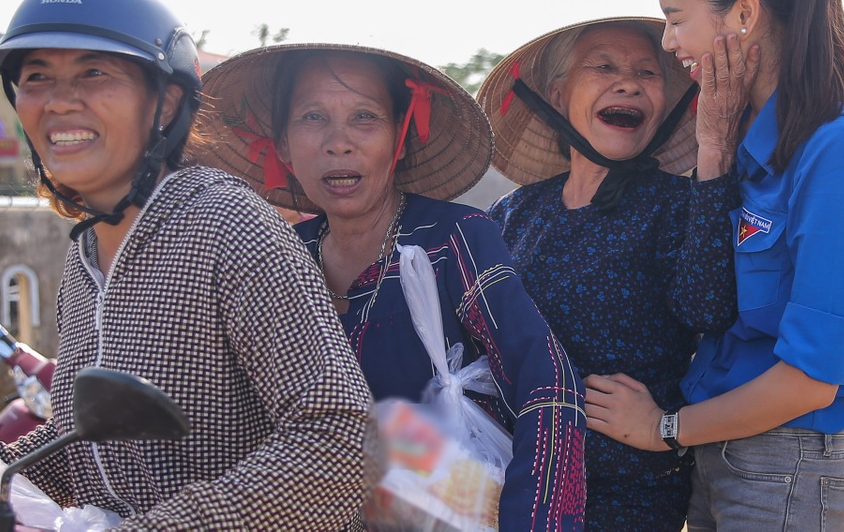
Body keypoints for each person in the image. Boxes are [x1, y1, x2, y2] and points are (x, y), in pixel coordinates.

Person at [0, 0, 379, 530]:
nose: (59, 101)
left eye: (94, 73)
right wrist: (7, 468)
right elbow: (93, 439)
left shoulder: (226, 227)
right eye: (37, 77)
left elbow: (342, 442)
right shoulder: (86, 258)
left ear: (168, 101)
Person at [585, 0, 844, 531]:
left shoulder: (837, 150)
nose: (668, 41)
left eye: (676, 19)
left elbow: (810, 381)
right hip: (729, 457)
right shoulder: (751, 138)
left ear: (745, 13)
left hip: (784, 469)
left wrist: (662, 429)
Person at [194, 43, 588, 530]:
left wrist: (532, 522)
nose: (339, 142)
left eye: (364, 117)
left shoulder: (452, 239)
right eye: (313, 117)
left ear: (398, 138)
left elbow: (546, 381)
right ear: (282, 144)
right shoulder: (276, 257)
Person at [478, 16, 743, 530]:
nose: (628, 82)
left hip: (627, 484)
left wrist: (715, 152)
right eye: (603, 66)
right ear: (558, 95)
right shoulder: (514, 213)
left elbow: (709, 308)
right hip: (513, 473)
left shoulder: (680, 204)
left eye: (648, 72)